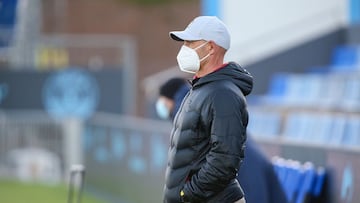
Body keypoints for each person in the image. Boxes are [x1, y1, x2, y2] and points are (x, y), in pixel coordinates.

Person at [163, 16, 253, 203]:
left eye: (190, 42)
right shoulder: (201, 88)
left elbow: (224, 160)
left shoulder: (223, 94)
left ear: (211, 47)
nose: (184, 48)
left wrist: (187, 194)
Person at [157, 78, 288, 203]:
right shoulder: (200, 100)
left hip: (242, 173)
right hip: (250, 166)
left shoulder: (187, 114)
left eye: (162, 101)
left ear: (169, 100)